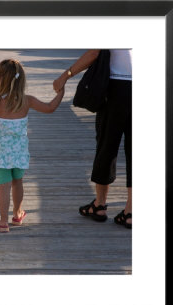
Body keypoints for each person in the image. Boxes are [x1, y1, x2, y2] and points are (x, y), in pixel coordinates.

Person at [0, 59, 65, 233]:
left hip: (2, 153)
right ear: (22, 80)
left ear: (0, 79)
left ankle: (3, 222)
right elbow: (50, 107)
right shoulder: (27, 101)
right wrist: (61, 93)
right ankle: (17, 214)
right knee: (18, 182)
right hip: (19, 153)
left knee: (4, 185)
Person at [53, 49, 132, 229]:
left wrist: (65, 76)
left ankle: (100, 205)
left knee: (107, 145)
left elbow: (94, 53)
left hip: (116, 88)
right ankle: (130, 212)